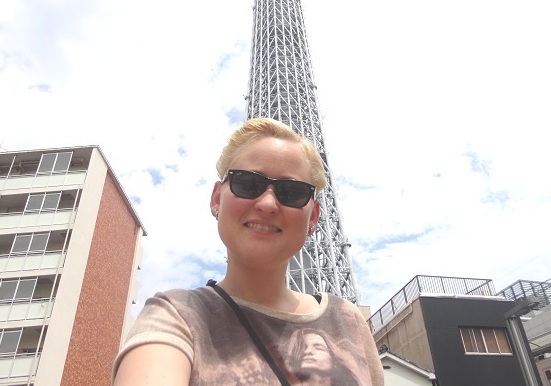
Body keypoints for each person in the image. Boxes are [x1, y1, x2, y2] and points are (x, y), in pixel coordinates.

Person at [113, 118, 384, 385]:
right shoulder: (177, 317)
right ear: (216, 199)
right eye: (247, 184)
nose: (267, 204)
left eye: (292, 192)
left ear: (313, 217)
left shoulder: (348, 321)